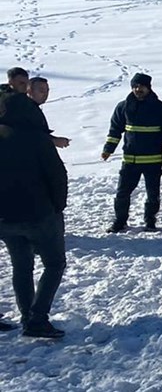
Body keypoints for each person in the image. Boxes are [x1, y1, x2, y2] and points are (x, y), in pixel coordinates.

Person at [0, 69, 68, 338]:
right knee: (54, 264)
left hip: (5, 218)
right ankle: (36, 318)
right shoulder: (36, 136)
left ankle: (28, 315)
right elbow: (57, 175)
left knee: (21, 265)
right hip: (39, 213)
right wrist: (57, 207)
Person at [101, 73, 162, 233]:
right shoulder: (123, 107)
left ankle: (150, 221)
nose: (138, 89)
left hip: (153, 160)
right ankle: (120, 221)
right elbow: (115, 130)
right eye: (135, 86)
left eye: (141, 86)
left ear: (148, 87)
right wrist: (108, 149)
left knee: (153, 194)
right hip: (130, 161)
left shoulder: (160, 108)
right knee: (122, 193)